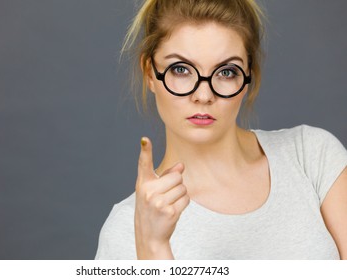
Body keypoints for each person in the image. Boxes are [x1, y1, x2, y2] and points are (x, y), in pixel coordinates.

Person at [95, 0, 347, 260]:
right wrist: (153, 247)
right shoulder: (127, 230)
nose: (203, 95)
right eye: (180, 69)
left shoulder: (312, 156)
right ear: (150, 74)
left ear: (248, 77)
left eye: (226, 72)